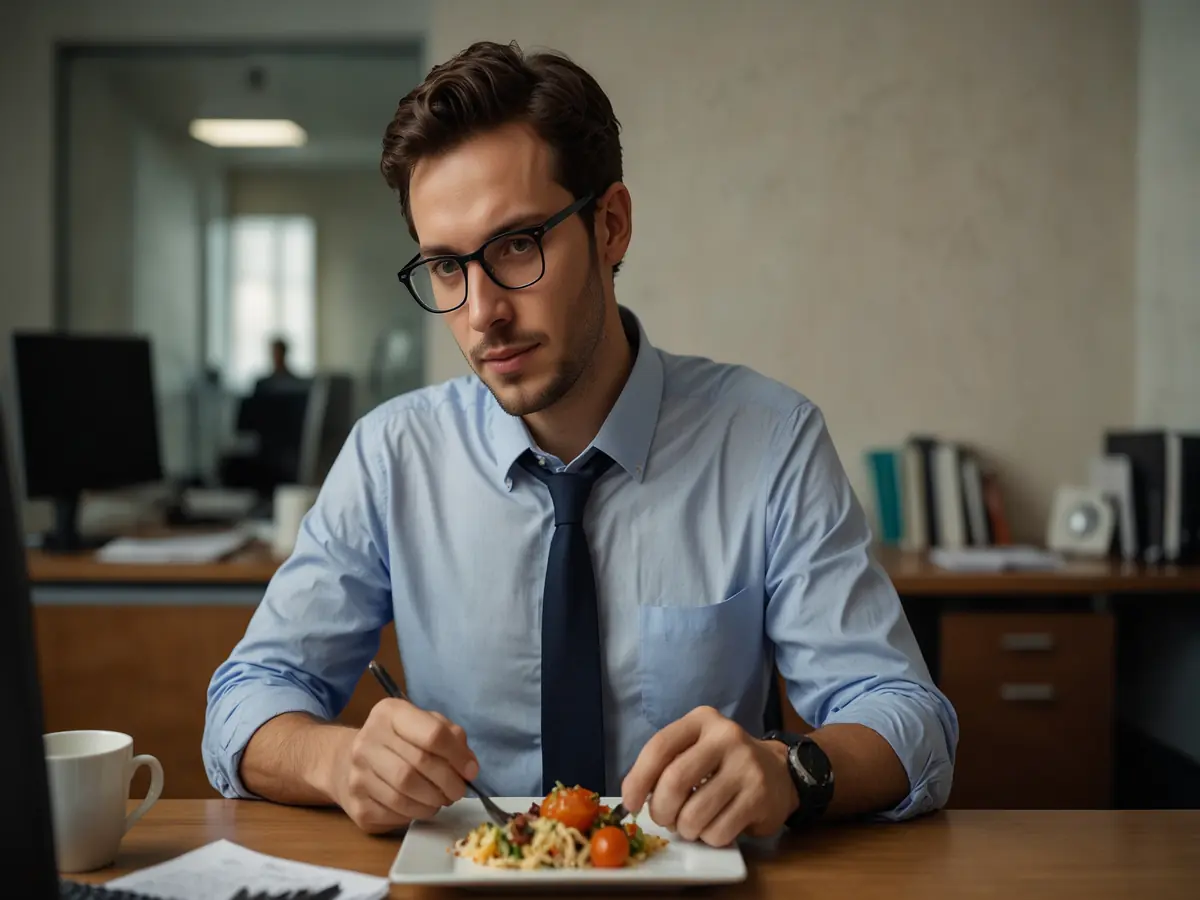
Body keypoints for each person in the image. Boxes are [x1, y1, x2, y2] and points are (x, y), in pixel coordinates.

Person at [203, 40, 958, 847]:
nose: (481, 311)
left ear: (611, 225)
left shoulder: (769, 441)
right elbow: (245, 698)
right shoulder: (392, 456)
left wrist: (792, 770)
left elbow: (906, 715)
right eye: (447, 268)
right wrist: (336, 760)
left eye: (517, 246)